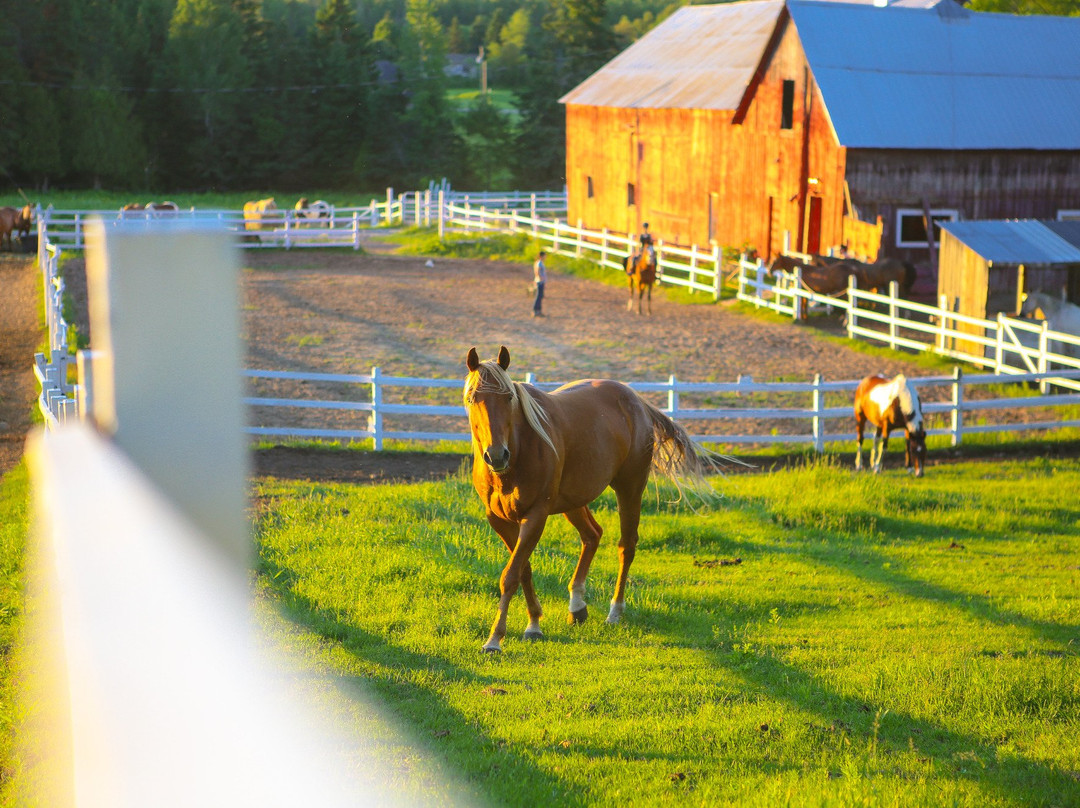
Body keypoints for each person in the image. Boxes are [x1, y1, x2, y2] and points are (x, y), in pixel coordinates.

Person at [532, 250, 547, 317]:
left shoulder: (539, 262)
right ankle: (535, 310)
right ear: (541, 256)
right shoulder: (539, 263)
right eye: (544, 256)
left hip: (540, 281)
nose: (545, 257)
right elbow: (537, 271)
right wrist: (540, 278)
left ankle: (538, 311)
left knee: (540, 296)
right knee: (538, 296)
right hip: (539, 282)